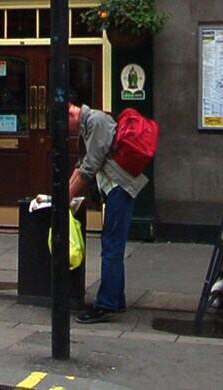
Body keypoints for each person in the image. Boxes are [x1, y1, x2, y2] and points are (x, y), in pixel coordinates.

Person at [67, 101, 147, 323]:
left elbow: (89, 167)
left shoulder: (97, 121)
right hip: (115, 190)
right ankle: (116, 298)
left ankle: (105, 304)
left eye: (67, 125)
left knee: (111, 245)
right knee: (113, 243)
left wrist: (66, 198)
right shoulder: (87, 126)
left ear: (72, 114)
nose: (68, 130)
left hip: (120, 188)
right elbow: (81, 165)